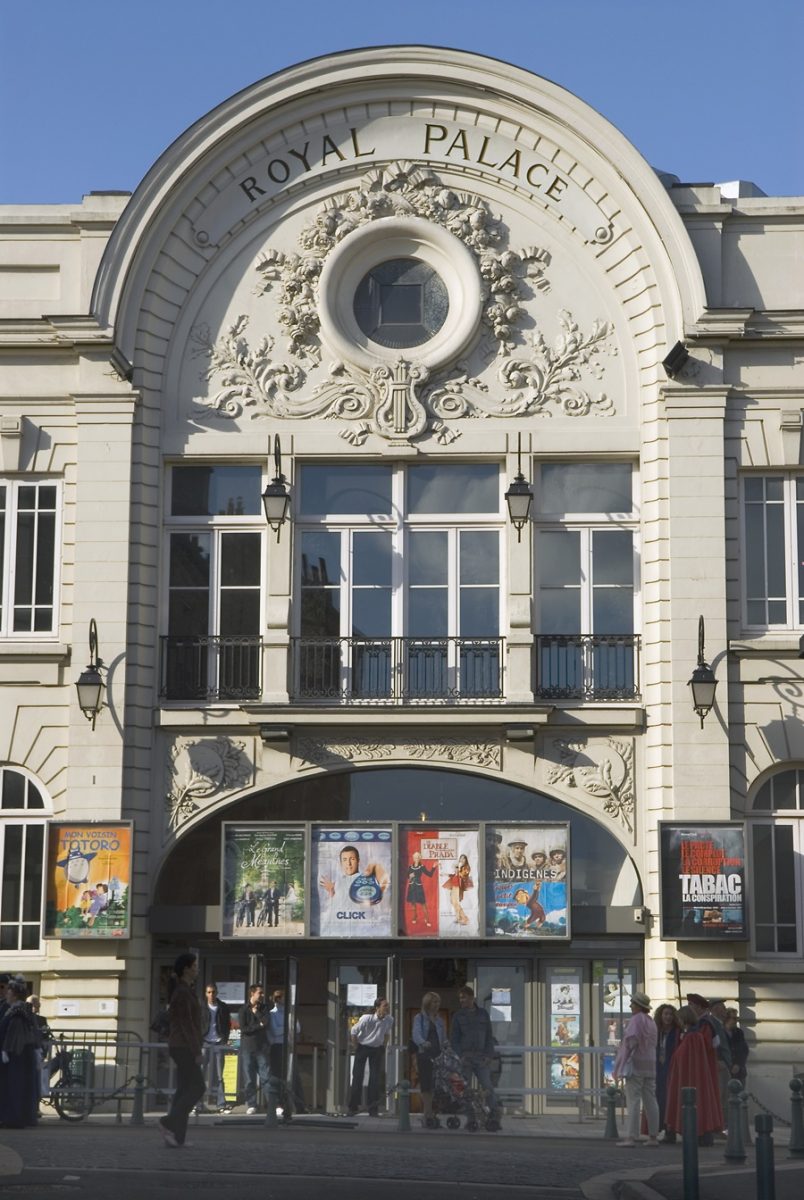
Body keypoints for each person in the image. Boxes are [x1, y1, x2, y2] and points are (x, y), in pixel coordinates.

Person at [158, 952, 205, 1148]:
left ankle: (176, 1137)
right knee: (197, 1087)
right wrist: (196, 1051)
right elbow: (186, 1025)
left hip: (180, 1045)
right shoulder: (183, 992)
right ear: (186, 969)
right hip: (183, 1046)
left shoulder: (184, 990)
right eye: (194, 966)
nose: (197, 969)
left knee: (183, 1089)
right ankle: (168, 1122)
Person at [665, 1004, 723, 1145]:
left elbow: (685, 1058)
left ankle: (700, 1134)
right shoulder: (692, 1036)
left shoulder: (693, 1037)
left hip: (690, 1080)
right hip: (688, 1078)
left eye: (679, 1018)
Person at [450, 985, 501, 1129]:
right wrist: (460, 1056)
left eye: (464, 997)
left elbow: (489, 1036)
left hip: (481, 1057)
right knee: (465, 1089)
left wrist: (489, 1055)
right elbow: (454, 1039)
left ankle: (493, 1117)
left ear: (472, 998)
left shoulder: (483, 1014)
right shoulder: (458, 1016)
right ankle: (470, 1118)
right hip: (465, 1057)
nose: (461, 1001)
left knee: (488, 1086)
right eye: (460, 998)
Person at [613, 990, 659, 1147]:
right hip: (650, 1065)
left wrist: (621, 1062)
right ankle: (653, 1136)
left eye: (633, 1003)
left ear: (639, 1006)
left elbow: (631, 1042)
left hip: (636, 1065)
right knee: (651, 1100)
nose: (630, 1005)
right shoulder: (651, 1021)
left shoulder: (636, 1020)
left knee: (633, 1101)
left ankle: (631, 1137)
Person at [318, 844, 389, 934]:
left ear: (358, 861)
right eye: (345, 860)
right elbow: (335, 906)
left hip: (362, 929)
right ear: (341, 863)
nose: (349, 864)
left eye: (352, 859)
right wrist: (332, 892)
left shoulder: (367, 880)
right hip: (341, 929)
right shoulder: (338, 882)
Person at [0, 977, 39, 1128]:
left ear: (14, 994)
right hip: (19, 1055)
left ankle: (14, 1119)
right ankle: (15, 1117)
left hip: (16, 1055)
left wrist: (5, 1050)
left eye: (9, 991)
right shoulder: (17, 1010)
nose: (7, 994)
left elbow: (14, 1034)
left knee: (14, 1086)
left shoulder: (18, 1011)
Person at [347, 997, 393, 1118]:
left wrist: (383, 1046)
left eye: (387, 1005)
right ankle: (353, 1107)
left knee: (374, 1079)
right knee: (358, 1076)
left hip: (377, 1049)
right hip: (363, 1047)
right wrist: (356, 1047)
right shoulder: (367, 1018)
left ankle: (373, 1109)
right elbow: (353, 1031)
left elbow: (387, 1034)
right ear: (377, 1008)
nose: (387, 1008)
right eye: (385, 1006)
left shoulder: (389, 1019)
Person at [268, 988, 306, 1119]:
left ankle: (300, 1105)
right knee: (278, 1077)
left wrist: (287, 1029)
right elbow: (274, 1031)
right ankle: (279, 1104)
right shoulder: (272, 1013)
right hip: (277, 1047)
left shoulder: (290, 1013)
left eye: (283, 997)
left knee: (294, 1076)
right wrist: (288, 1029)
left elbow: (298, 1028)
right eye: (279, 997)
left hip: (289, 1047)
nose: (281, 1000)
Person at [411, 991, 447, 1129]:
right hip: (425, 1055)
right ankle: (428, 1114)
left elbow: (443, 1037)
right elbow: (416, 1034)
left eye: (438, 1002)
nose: (437, 1005)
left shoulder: (439, 1020)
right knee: (426, 1085)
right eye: (434, 1002)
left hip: (437, 1055)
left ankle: (431, 1114)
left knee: (436, 1085)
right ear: (427, 1003)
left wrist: (446, 1046)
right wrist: (423, 1043)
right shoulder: (419, 1018)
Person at [238, 984, 274, 1117]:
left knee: (266, 1077)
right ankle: (252, 1104)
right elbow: (244, 1029)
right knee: (249, 1079)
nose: (262, 995)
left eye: (263, 993)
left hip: (261, 1048)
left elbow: (266, 1023)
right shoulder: (243, 1010)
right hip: (248, 1048)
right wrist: (258, 1025)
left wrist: (256, 1014)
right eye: (260, 993)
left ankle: (272, 1104)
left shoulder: (264, 1008)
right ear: (252, 994)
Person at [200, 983, 231, 1113]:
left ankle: (221, 1104)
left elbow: (227, 1024)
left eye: (213, 992)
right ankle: (198, 1103)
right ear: (205, 994)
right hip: (205, 1042)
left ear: (217, 993)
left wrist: (225, 1038)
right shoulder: (201, 1007)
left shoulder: (222, 1007)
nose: (211, 995)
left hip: (218, 1042)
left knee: (220, 1075)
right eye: (209, 992)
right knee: (200, 1074)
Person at [654, 1003, 682, 1142]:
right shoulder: (657, 1030)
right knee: (659, 1098)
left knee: (669, 1099)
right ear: (661, 1015)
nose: (668, 1017)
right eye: (665, 1014)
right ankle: (661, 1128)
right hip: (658, 1068)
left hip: (671, 1069)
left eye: (670, 1014)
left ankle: (670, 1129)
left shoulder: (677, 1032)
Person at [27, 994, 52, 1115]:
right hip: (29, 1053)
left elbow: (47, 1035)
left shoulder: (42, 1019)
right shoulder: (25, 1017)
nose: (37, 1006)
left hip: (39, 1053)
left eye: (36, 1004)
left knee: (37, 1081)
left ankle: (35, 1108)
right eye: (34, 1004)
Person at [406, 851, 436, 927]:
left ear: (420, 858)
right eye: (415, 857)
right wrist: (410, 876)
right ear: (413, 858)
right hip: (411, 887)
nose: (416, 858)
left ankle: (427, 919)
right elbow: (407, 877)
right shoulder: (410, 867)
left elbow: (430, 875)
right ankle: (415, 916)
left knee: (423, 904)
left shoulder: (422, 867)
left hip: (418, 887)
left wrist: (433, 867)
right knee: (413, 904)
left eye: (418, 857)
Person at [442, 854, 473, 926]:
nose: (462, 860)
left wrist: (458, 868)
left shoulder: (465, 868)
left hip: (458, 887)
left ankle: (465, 918)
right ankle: (458, 917)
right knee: (453, 902)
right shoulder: (460, 868)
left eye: (463, 858)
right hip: (453, 887)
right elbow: (454, 875)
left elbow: (463, 875)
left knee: (455, 903)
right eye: (461, 858)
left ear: (466, 860)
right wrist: (445, 874)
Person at [723, 1008, 749, 1088]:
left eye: (737, 1018)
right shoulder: (720, 1032)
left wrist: (738, 1064)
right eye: (734, 1018)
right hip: (725, 1072)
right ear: (727, 1019)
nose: (736, 1021)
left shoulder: (739, 1032)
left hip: (739, 1073)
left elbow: (744, 1050)